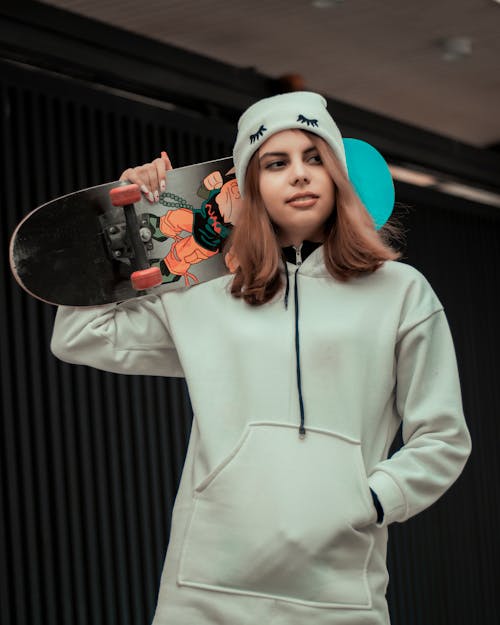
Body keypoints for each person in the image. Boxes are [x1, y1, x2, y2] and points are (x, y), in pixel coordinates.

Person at [51, 91, 471, 625]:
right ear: (248, 188)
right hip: (204, 587)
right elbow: (81, 335)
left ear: (339, 174)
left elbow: (443, 437)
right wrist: (124, 217)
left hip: (341, 592)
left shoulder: (400, 293)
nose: (299, 175)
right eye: (276, 163)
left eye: (314, 157)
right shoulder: (202, 294)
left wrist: (371, 500)